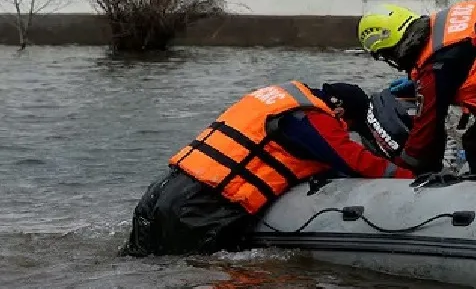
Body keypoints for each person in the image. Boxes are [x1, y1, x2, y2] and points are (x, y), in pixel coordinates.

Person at [121, 81, 412, 257]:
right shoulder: (313, 118)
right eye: (347, 127)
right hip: (200, 208)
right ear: (339, 112)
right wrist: (410, 179)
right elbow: (354, 161)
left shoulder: (279, 101)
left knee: (148, 273)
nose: (344, 132)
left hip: (164, 192)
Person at [357, 0, 476, 177]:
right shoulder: (444, 21)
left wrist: (403, 170)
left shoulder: (438, 67)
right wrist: (418, 81)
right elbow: (461, 57)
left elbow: (425, 133)